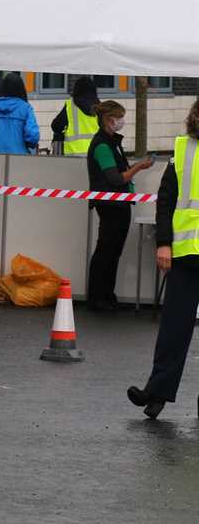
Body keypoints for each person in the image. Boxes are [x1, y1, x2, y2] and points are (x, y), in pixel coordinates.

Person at [128, 98, 199, 419]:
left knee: (175, 327)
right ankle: (155, 393)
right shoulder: (183, 150)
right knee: (174, 328)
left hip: (185, 256)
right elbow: (166, 201)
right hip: (184, 256)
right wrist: (163, 243)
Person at [85, 100, 153, 312]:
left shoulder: (112, 142)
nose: (123, 121)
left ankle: (106, 295)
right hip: (111, 204)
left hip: (118, 203)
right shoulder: (103, 145)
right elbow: (115, 179)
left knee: (112, 250)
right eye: (120, 117)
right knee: (107, 250)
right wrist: (138, 167)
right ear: (109, 119)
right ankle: (99, 297)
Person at [0, 73, 40, 155]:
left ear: (2, 87)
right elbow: (33, 136)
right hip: (18, 156)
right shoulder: (25, 108)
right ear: (21, 88)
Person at [52, 76, 100, 156]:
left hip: (73, 157)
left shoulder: (70, 106)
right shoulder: (100, 107)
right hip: (96, 155)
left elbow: (56, 126)